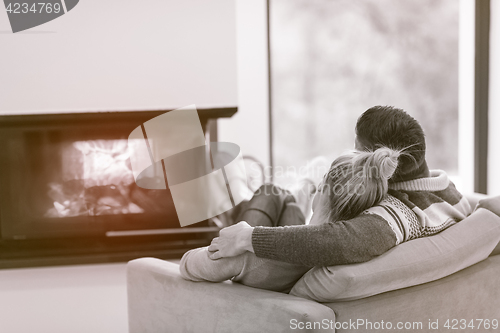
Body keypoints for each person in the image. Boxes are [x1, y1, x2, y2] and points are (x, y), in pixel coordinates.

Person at [206, 106, 472, 267]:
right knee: (280, 195)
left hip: (272, 268)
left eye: (357, 152)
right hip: (301, 224)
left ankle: (238, 205)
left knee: (268, 193)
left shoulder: (395, 216)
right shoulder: (449, 190)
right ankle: (277, 192)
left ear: (377, 161)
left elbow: (337, 241)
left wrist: (246, 237)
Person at [180, 147, 402, 292]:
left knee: (268, 192)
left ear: (324, 186)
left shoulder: (246, 257)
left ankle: (243, 197)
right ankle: (299, 191)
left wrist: (237, 236)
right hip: (292, 257)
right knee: (285, 200)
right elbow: (305, 238)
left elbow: (187, 264)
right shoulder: (342, 250)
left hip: (265, 263)